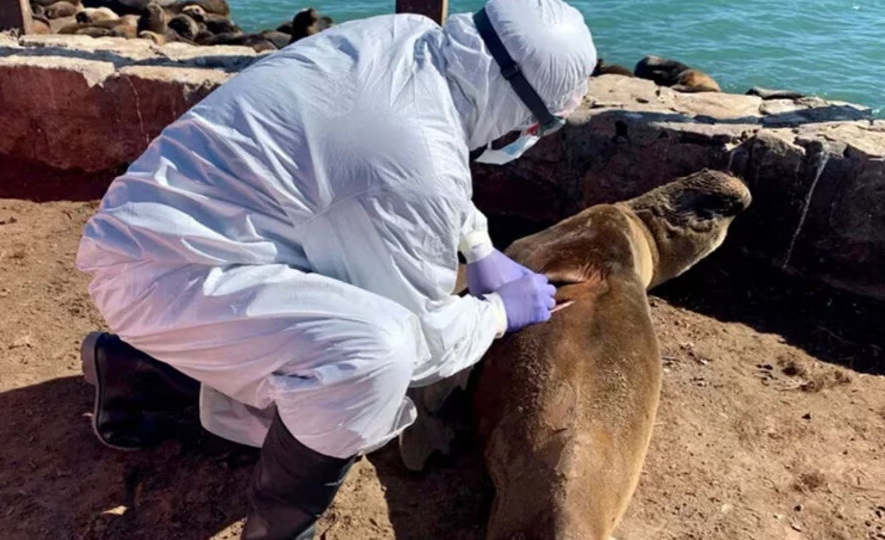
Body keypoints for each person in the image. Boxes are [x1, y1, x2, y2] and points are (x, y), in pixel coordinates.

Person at [75, 0, 596, 537]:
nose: (530, 136)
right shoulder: (416, 154)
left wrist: (481, 250)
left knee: (335, 320)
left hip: (168, 230)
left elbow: (405, 163)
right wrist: (495, 315)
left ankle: (133, 373)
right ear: (516, 107)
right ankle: (277, 528)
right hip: (160, 275)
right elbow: (423, 337)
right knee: (373, 354)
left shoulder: (411, 41)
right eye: (538, 124)